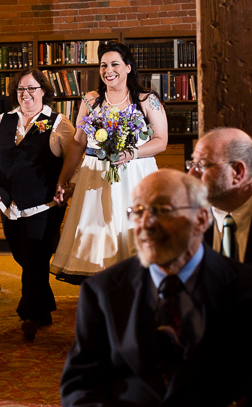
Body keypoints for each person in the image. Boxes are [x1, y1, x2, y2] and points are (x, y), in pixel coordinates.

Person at [55, 170, 252, 407]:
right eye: (137, 211)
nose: (145, 223)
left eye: (161, 210)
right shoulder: (103, 290)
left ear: (201, 219)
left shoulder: (250, 289)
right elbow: (81, 379)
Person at [51, 41, 168, 282]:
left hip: (134, 175)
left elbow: (161, 140)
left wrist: (132, 153)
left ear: (128, 67)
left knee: (130, 231)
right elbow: (77, 143)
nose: (108, 70)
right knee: (98, 233)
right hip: (95, 176)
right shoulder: (91, 100)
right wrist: (63, 180)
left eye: (115, 64)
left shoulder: (147, 99)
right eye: (103, 65)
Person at [0, 68, 77, 340]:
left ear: (43, 91)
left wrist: (67, 189)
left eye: (32, 88)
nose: (26, 94)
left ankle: (29, 314)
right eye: (21, 89)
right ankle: (44, 306)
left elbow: (75, 161)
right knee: (22, 257)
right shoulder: (4, 120)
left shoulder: (59, 123)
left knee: (35, 258)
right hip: (9, 205)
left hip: (43, 206)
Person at [187, 127, 252, 270]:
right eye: (192, 164)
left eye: (202, 165)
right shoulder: (187, 225)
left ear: (237, 172)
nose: (192, 175)